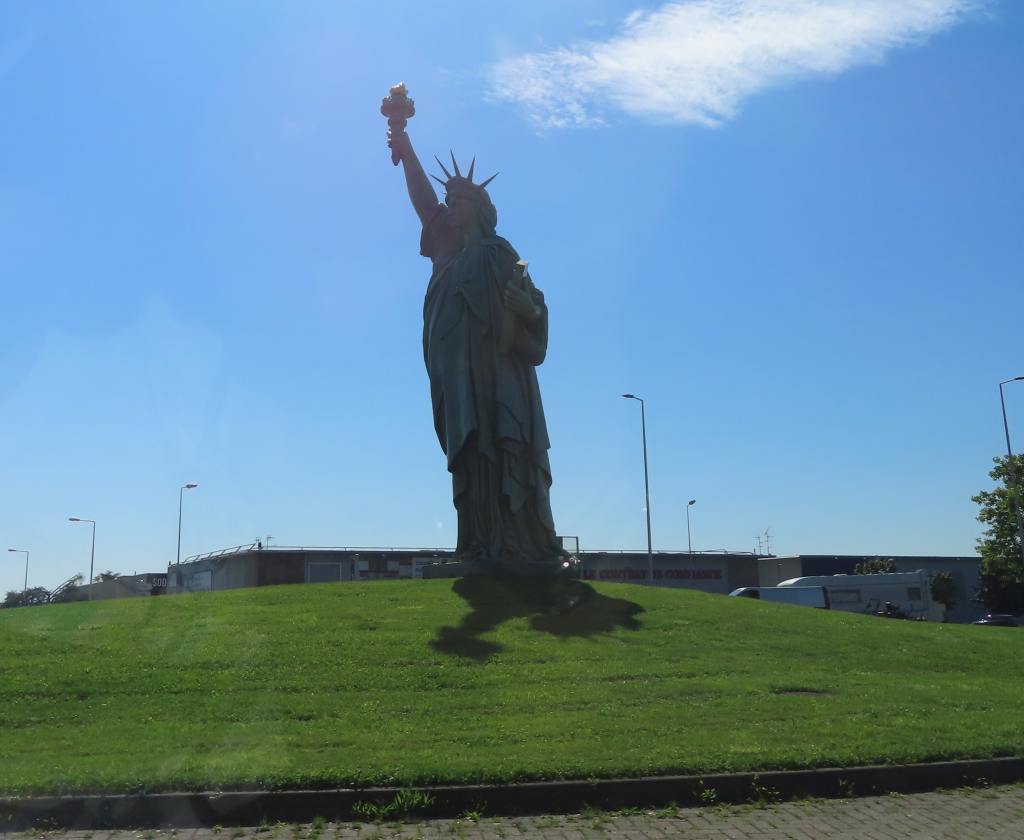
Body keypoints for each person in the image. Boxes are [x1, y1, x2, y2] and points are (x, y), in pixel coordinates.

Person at [388, 128, 566, 577]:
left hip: (495, 376)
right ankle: (476, 543)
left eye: (460, 201)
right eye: (450, 201)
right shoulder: (446, 252)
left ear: (481, 210)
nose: (450, 207)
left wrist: (527, 309)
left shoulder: (500, 253)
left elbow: (534, 307)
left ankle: (513, 543)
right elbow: (424, 205)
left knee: (496, 450)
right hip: (457, 377)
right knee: (468, 456)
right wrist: (406, 149)